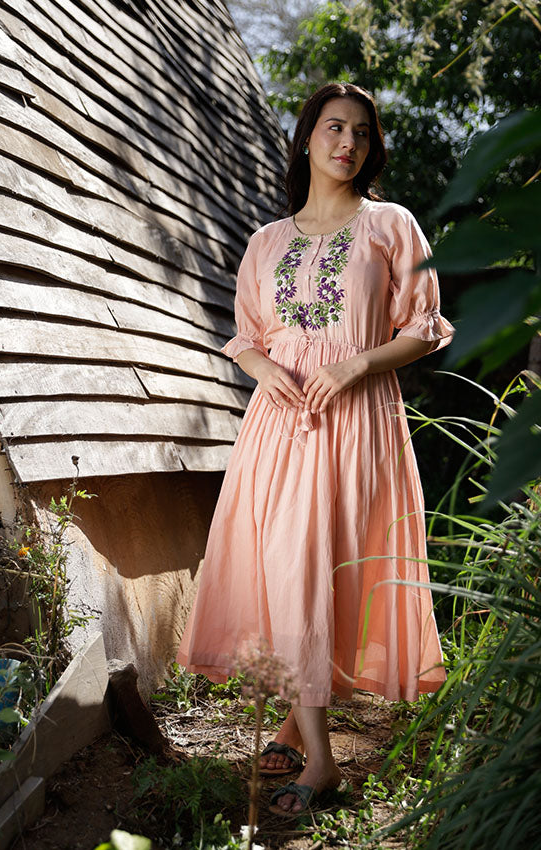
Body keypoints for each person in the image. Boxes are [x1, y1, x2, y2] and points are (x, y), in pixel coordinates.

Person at [176, 82, 454, 816]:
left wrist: (355, 363)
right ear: (307, 138)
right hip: (278, 429)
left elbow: (424, 326)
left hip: (359, 423)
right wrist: (266, 367)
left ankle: (318, 760)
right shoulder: (267, 241)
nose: (348, 143)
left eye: (362, 132)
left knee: (329, 570)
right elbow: (246, 334)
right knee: (288, 569)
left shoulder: (392, 225)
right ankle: (304, 734)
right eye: (335, 128)